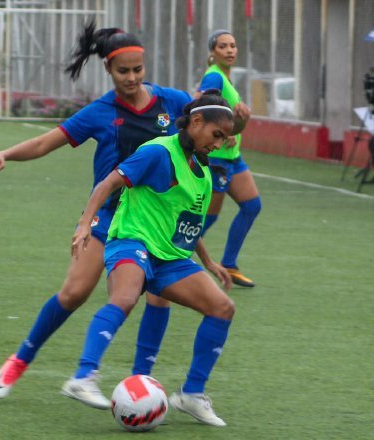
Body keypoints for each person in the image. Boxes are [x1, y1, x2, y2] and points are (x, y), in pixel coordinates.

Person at [0, 22, 195, 399]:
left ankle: (139, 383)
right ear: (108, 71)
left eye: (137, 70)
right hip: (110, 216)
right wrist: (5, 154)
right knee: (74, 293)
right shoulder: (100, 112)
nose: (132, 78)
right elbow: (47, 142)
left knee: (156, 295)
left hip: (156, 219)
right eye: (123, 71)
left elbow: (204, 119)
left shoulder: (172, 101)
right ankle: (21, 360)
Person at [63, 91, 235, 426]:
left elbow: (186, 223)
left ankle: (191, 394)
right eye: (217, 135)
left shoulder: (201, 170)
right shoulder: (158, 152)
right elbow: (108, 183)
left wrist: (209, 261)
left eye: (225, 139)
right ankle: (83, 377)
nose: (219, 144)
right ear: (196, 121)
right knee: (125, 298)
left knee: (223, 307)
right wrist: (86, 224)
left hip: (169, 258)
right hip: (131, 242)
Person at [196, 29, 260, 288]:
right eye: (223, 46)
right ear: (213, 52)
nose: (230, 50)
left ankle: (230, 264)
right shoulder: (214, 76)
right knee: (208, 217)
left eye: (233, 45)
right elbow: (201, 103)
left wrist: (234, 122)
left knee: (252, 206)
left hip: (233, 157)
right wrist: (221, 132)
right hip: (218, 158)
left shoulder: (225, 77)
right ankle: (165, 256)